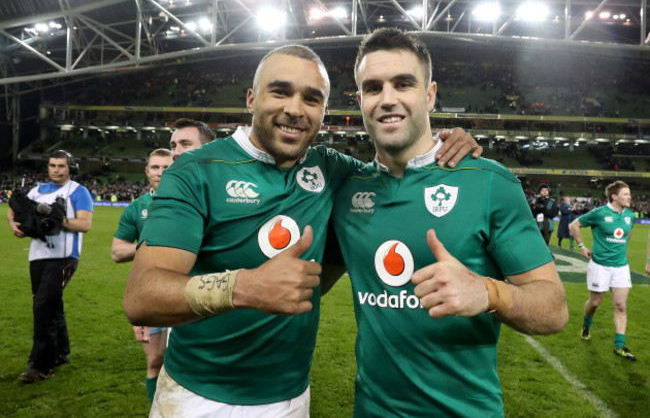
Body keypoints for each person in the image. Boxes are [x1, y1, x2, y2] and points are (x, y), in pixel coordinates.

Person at [123, 44, 482, 417]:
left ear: (324, 112)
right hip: (195, 396)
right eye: (280, 91)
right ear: (251, 98)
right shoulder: (196, 170)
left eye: (312, 98)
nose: (294, 109)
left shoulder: (334, 171)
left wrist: (450, 142)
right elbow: (142, 297)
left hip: (291, 400)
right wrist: (245, 286)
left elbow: (399, 164)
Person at [327, 28, 568, 417]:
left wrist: (489, 293)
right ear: (360, 100)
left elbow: (554, 309)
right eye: (373, 88)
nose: (388, 99)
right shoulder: (345, 192)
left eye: (403, 83)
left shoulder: (490, 182)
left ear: (430, 94)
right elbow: (309, 284)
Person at [7, 150, 93, 383]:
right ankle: (61, 352)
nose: (56, 170)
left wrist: (59, 221)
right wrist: (13, 224)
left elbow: (85, 224)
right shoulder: (36, 190)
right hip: (38, 256)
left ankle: (39, 366)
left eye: (61, 166)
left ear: (70, 168)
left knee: (43, 305)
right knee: (49, 303)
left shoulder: (78, 191)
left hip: (65, 258)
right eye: (53, 165)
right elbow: (14, 209)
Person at [111, 148, 173, 403]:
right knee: (155, 360)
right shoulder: (137, 208)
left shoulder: (197, 202)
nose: (161, 173)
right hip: (151, 291)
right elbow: (117, 251)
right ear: (147, 171)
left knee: (191, 364)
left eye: (167, 168)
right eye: (156, 167)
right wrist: (150, 247)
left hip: (190, 291)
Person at [570, 180, 637, 360]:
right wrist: (582, 246)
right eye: (625, 194)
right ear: (614, 196)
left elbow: (628, 234)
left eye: (629, 194)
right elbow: (574, 225)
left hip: (621, 266)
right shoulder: (599, 213)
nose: (629, 197)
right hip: (599, 265)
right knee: (595, 302)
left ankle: (619, 345)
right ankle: (586, 326)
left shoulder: (630, 215)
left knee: (621, 306)